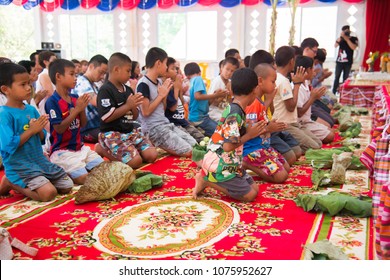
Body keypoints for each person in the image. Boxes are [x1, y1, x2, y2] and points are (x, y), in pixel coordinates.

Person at [0, 63, 73, 201]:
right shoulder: (4, 114)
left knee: (66, 185)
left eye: (29, 83)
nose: (29, 88)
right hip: (19, 164)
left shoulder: (30, 109)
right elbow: (8, 146)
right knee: (48, 193)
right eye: (23, 85)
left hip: (37, 160)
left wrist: (38, 130)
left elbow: (41, 138)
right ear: (5, 89)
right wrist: (31, 130)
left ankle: (38, 180)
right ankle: (10, 182)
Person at [193, 68, 266, 202]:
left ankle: (211, 177)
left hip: (232, 162)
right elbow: (227, 146)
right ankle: (206, 180)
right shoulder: (235, 113)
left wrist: (253, 129)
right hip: (220, 164)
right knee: (250, 195)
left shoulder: (237, 108)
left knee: (254, 189)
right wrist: (250, 135)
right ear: (255, 90)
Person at [45, 59, 104, 185]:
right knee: (84, 179)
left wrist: (81, 109)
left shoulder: (74, 98)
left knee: (104, 170)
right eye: (72, 74)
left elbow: (83, 124)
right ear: (58, 76)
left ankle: (76, 167)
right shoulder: (52, 101)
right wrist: (77, 109)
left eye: (76, 75)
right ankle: (61, 170)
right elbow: (59, 129)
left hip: (80, 147)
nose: (75, 78)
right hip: (62, 151)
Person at [96, 52, 157, 168]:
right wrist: (128, 105)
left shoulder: (128, 89)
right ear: (116, 69)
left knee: (152, 155)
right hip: (112, 133)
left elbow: (134, 116)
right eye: (128, 71)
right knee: (135, 163)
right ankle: (102, 149)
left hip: (129, 132)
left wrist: (133, 106)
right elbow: (106, 117)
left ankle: (131, 150)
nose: (130, 74)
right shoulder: (106, 90)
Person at [137, 47, 196, 157]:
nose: (166, 67)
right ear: (158, 63)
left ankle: (167, 144)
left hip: (165, 124)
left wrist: (163, 96)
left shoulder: (159, 82)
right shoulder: (143, 84)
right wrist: (161, 95)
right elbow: (145, 112)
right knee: (189, 151)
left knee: (195, 145)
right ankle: (155, 142)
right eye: (165, 64)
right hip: (153, 128)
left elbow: (163, 109)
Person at [249, 50, 302, 166]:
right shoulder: (252, 96)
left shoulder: (267, 90)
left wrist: (270, 99)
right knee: (290, 159)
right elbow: (254, 124)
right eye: (272, 65)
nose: (275, 67)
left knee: (297, 151)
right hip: (262, 133)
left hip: (270, 128)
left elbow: (270, 113)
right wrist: (268, 127)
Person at [243, 64, 290, 183]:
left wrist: (271, 125)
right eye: (273, 82)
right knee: (281, 177)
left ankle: (258, 166)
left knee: (286, 167)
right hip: (251, 149)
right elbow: (249, 130)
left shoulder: (260, 102)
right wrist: (269, 128)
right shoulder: (252, 104)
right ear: (260, 81)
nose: (275, 85)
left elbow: (261, 122)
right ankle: (245, 163)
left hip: (264, 147)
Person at [274, 46, 322, 153]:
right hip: (286, 125)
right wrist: (297, 85)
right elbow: (291, 107)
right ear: (291, 61)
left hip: (294, 122)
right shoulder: (283, 81)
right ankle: (289, 145)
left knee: (318, 143)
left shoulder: (278, 78)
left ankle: (292, 145)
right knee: (314, 148)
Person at [163, 57, 205, 143]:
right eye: (173, 68)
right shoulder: (166, 87)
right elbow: (173, 108)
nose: (176, 71)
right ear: (165, 71)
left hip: (182, 121)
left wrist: (179, 90)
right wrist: (176, 89)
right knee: (193, 142)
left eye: (176, 68)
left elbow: (181, 102)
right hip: (174, 122)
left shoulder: (174, 84)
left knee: (202, 137)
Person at [295, 55, 335, 144]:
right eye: (312, 69)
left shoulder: (305, 82)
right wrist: (313, 98)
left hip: (307, 120)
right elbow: (299, 113)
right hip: (301, 123)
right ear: (308, 70)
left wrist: (317, 95)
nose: (314, 72)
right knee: (330, 136)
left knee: (332, 131)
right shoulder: (298, 87)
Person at [72, 54, 108, 143]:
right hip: (88, 130)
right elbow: (97, 101)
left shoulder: (93, 84)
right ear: (91, 66)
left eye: (104, 73)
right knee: (117, 137)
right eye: (101, 72)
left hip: (98, 126)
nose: (102, 76)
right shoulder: (81, 82)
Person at [185, 62, 227, 137]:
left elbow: (203, 102)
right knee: (221, 134)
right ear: (199, 72)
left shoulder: (192, 82)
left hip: (199, 117)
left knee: (219, 131)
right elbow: (197, 96)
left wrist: (214, 95)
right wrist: (215, 95)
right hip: (200, 118)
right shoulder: (198, 79)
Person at [207, 57, 240, 122]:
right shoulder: (217, 81)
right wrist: (220, 96)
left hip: (223, 112)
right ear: (222, 67)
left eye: (232, 71)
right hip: (214, 113)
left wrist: (230, 94)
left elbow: (229, 102)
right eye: (227, 69)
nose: (229, 73)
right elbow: (210, 102)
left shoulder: (229, 83)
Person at [332, 25, 358, 94]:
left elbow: (353, 47)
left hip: (348, 62)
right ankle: (334, 92)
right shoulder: (341, 39)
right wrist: (341, 37)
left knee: (346, 78)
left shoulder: (353, 38)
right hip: (339, 61)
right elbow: (335, 46)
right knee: (337, 77)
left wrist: (347, 39)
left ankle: (344, 92)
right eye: (344, 31)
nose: (346, 33)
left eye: (347, 31)